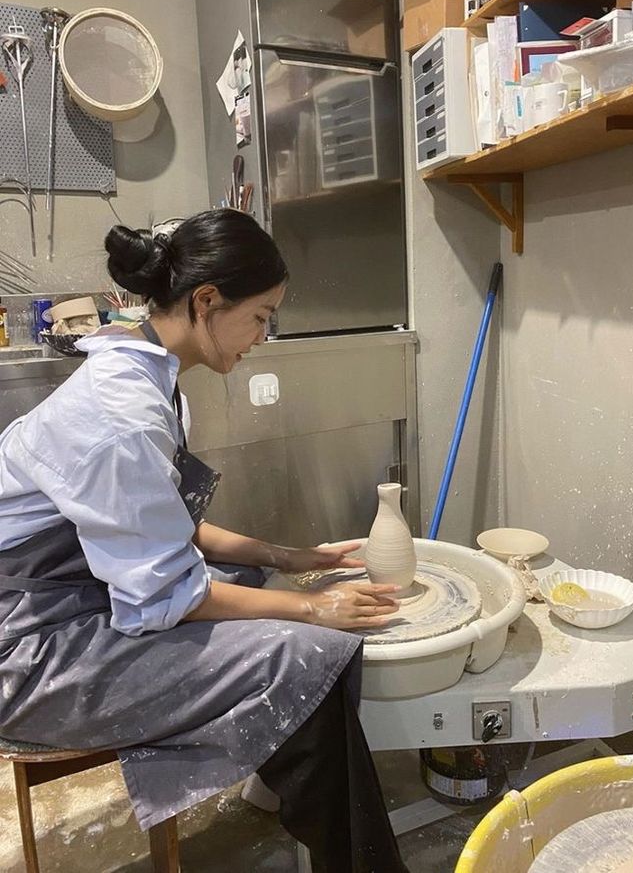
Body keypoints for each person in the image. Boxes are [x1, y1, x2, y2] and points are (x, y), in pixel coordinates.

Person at [0, 209, 408, 873]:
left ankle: (286, 778)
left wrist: (284, 557)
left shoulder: (146, 368)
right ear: (206, 302)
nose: (262, 336)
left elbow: (161, 528)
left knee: (282, 604)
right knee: (304, 650)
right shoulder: (123, 412)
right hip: (29, 651)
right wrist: (311, 607)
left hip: (82, 598)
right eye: (261, 315)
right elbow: (167, 594)